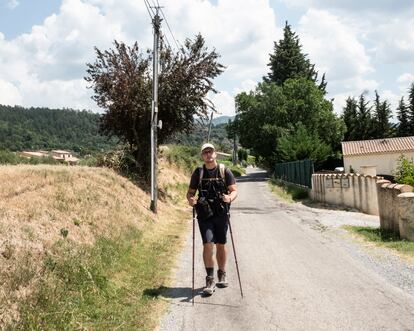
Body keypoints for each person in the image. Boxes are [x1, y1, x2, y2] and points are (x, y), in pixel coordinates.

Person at [187, 143, 238, 296]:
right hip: (204, 214)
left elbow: (234, 190)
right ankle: (210, 279)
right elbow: (190, 192)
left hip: (221, 213)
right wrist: (191, 200)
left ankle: (221, 273)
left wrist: (229, 198)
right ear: (202, 156)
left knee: (221, 244)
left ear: (215, 154)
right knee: (208, 244)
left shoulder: (224, 170)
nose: (208, 154)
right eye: (205, 152)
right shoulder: (198, 172)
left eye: (210, 152)